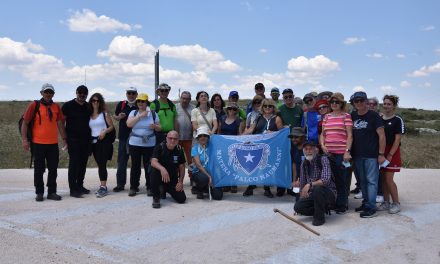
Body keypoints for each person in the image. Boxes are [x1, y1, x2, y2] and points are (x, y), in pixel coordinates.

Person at [21, 83, 67, 201]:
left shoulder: (56, 107)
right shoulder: (34, 105)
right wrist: (24, 140)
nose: (48, 94)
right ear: (41, 93)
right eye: (46, 92)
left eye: (50, 92)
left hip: (52, 144)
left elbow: (60, 124)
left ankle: (52, 192)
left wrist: (64, 139)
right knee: (39, 169)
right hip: (38, 143)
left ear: (53, 94)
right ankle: (39, 192)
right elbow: (25, 123)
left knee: (53, 169)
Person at [351, 91, 386, 218]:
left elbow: (382, 135)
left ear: (366, 101)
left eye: (361, 100)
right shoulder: (353, 115)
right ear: (353, 103)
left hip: (371, 155)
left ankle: (371, 207)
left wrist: (381, 154)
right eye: (356, 101)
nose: (359, 103)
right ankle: (366, 203)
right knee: (363, 182)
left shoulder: (374, 116)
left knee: (371, 181)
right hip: (357, 154)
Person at [243, 99, 283, 197]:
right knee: (254, 166)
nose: (267, 108)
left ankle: (267, 188)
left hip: (270, 148)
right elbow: (251, 129)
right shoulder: (258, 117)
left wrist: (272, 133)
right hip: (257, 147)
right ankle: (251, 186)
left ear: (273, 107)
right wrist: (240, 137)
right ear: (262, 107)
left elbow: (282, 134)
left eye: (270, 106)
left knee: (267, 167)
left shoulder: (277, 118)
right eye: (265, 106)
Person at [320, 93, 353, 214]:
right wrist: (323, 145)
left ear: (341, 104)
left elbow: (350, 135)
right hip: (328, 153)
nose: (334, 104)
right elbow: (323, 134)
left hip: (341, 154)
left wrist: (347, 152)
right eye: (332, 102)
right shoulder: (327, 117)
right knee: (329, 179)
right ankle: (331, 202)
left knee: (341, 180)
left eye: (337, 102)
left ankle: (341, 204)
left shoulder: (346, 116)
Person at [126, 93, 162, 197]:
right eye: (139, 101)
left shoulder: (153, 113)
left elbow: (160, 128)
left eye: (143, 101)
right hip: (134, 143)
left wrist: (155, 126)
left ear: (147, 102)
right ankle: (133, 187)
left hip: (149, 144)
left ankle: (150, 187)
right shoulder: (133, 112)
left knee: (149, 167)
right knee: (135, 166)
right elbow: (129, 124)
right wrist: (140, 116)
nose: (140, 103)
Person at [294, 141, 337, 226]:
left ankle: (319, 218)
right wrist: (301, 197)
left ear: (316, 150)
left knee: (318, 189)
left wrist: (310, 184)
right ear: (304, 151)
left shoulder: (323, 159)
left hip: (328, 193)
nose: (308, 151)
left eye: (311, 149)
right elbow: (303, 184)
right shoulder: (304, 163)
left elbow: (325, 180)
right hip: (313, 194)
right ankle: (320, 210)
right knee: (298, 207)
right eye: (306, 149)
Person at [62, 85, 91, 198]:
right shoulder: (68, 105)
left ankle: (80, 185)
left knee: (83, 164)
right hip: (73, 139)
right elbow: (61, 122)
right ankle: (73, 189)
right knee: (74, 163)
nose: (82, 95)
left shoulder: (88, 106)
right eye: (80, 92)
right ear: (76, 93)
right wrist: (64, 138)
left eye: (84, 93)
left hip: (86, 140)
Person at [377, 95, 404, 214]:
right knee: (382, 179)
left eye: (389, 104)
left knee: (389, 179)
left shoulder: (397, 120)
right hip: (381, 151)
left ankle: (396, 203)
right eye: (385, 103)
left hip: (392, 151)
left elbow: (397, 140)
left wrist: (390, 155)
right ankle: (386, 202)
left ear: (394, 106)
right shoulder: (379, 118)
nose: (386, 106)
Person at [150, 131, 187, 208]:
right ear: (166, 138)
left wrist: (180, 182)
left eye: (175, 139)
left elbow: (182, 167)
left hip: (172, 179)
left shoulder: (179, 150)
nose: (172, 140)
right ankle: (156, 197)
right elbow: (153, 162)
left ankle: (164, 189)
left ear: (178, 140)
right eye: (170, 138)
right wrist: (162, 169)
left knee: (182, 199)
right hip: (159, 177)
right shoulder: (159, 147)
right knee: (154, 169)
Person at [88, 93, 115, 198]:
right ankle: (103, 186)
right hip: (93, 143)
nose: (95, 103)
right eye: (93, 101)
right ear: (91, 102)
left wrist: (104, 131)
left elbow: (111, 127)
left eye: (97, 101)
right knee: (100, 164)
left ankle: (103, 187)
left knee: (102, 164)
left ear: (100, 102)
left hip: (102, 142)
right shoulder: (89, 115)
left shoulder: (104, 114)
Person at [113, 87, 139, 192]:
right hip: (123, 137)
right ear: (126, 94)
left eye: (133, 93)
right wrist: (119, 117)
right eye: (129, 93)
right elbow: (115, 116)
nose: (131, 95)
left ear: (136, 94)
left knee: (135, 162)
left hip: (136, 137)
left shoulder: (140, 104)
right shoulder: (121, 104)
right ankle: (120, 184)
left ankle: (135, 185)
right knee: (122, 161)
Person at [218, 102, 244, 193]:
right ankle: (226, 184)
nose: (231, 110)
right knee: (224, 164)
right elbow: (218, 133)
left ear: (236, 111)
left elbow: (240, 134)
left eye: (234, 109)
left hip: (233, 146)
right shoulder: (222, 119)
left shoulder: (239, 121)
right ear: (227, 110)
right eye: (230, 108)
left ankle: (233, 184)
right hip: (223, 145)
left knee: (233, 165)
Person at [191, 127, 223, 200]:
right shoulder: (195, 148)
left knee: (218, 196)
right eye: (200, 136)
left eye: (205, 135)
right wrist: (209, 176)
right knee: (204, 178)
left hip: (212, 172)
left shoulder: (213, 147)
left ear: (208, 137)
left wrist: (215, 176)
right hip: (200, 172)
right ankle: (200, 189)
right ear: (197, 138)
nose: (203, 138)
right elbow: (198, 165)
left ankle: (207, 188)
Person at [176, 91, 195, 185]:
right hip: (177, 139)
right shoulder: (175, 107)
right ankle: (176, 178)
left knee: (191, 160)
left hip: (189, 139)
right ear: (180, 98)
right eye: (183, 98)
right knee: (177, 160)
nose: (185, 100)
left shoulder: (194, 108)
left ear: (190, 99)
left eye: (187, 98)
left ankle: (192, 177)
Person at [289, 127, 306, 198]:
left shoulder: (309, 148)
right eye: (292, 137)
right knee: (297, 199)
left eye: (296, 137)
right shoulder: (293, 149)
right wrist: (294, 180)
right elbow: (294, 165)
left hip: (310, 180)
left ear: (302, 137)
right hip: (298, 180)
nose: (293, 139)